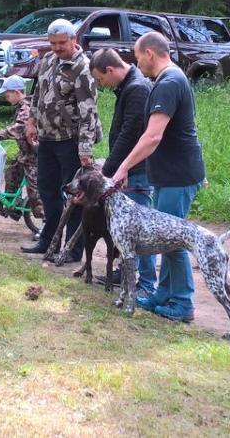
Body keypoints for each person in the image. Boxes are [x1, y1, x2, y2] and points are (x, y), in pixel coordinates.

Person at [110, 32, 205, 323]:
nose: (137, 64)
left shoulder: (168, 83)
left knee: (174, 241)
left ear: (150, 54)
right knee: (165, 239)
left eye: (138, 57)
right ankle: (163, 295)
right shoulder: (169, 79)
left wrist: (123, 167)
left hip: (178, 176)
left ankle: (182, 303)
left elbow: (152, 136)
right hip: (169, 174)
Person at [22, 19, 102, 260]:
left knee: (75, 196)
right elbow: (38, 93)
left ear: (74, 39)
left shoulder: (83, 68)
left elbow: (89, 112)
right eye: (53, 43)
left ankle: (73, 249)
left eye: (61, 43)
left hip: (70, 141)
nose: (57, 48)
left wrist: (85, 150)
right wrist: (31, 120)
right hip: (47, 138)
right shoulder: (48, 59)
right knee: (47, 190)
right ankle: (49, 240)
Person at [90, 48, 154, 295]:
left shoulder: (136, 89)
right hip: (129, 168)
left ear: (110, 70)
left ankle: (146, 284)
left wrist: (107, 171)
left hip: (137, 170)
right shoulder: (129, 86)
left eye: (100, 79)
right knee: (127, 226)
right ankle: (126, 272)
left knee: (140, 228)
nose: (101, 84)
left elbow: (130, 134)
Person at [0, 75, 43, 224]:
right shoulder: (20, 107)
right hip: (24, 154)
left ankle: (46, 222)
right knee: (11, 174)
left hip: (33, 156)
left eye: (7, 95)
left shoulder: (26, 108)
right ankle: (14, 206)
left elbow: (19, 128)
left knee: (35, 192)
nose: (6, 98)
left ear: (17, 92)